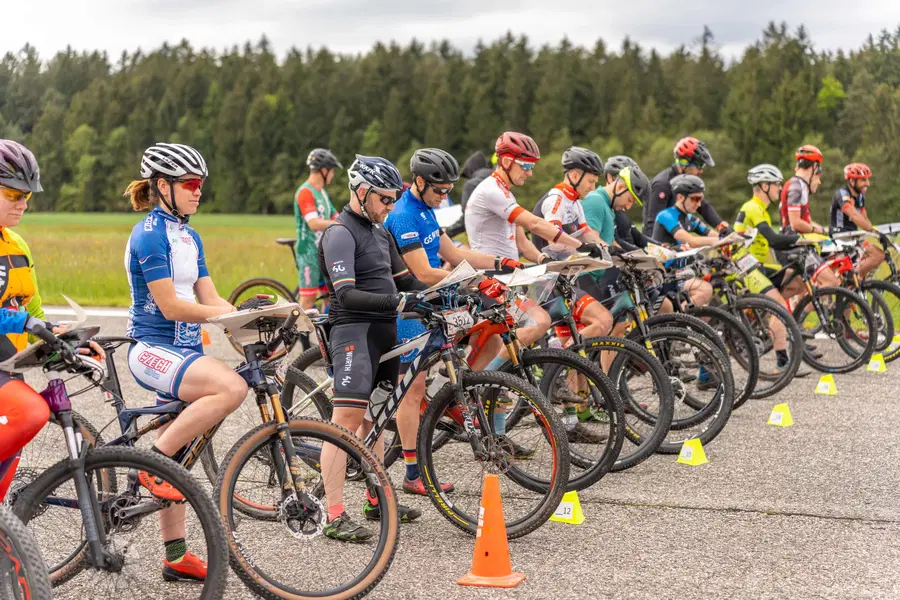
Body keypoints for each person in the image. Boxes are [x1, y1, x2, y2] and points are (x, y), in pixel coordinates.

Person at [124, 142, 249, 581]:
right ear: (163, 186)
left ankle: (175, 556)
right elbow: (172, 307)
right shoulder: (149, 234)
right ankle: (151, 466)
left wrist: (254, 322)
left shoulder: (189, 236)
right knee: (232, 388)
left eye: (201, 185)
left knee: (181, 452)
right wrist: (230, 315)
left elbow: (211, 299)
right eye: (191, 184)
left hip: (185, 352)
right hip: (151, 349)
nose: (199, 192)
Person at [385, 148, 525, 490]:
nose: (445, 196)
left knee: (480, 336)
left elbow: (454, 254)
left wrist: (500, 263)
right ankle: (412, 473)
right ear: (419, 182)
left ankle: (449, 401)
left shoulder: (428, 210)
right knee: (412, 389)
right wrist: (475, 280)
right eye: (439, 191)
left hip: (433, 300)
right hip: (409, 304)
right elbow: (424, 271)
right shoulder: (404, 215)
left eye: (449, 190)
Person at [464, 132, 608, 442]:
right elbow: (537, 225)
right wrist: (578, 249)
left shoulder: (505, 192)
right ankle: (488, 383)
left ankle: (497, 435)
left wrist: (542, 259)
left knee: (499, 358)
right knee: (538, 322)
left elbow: (520, 240)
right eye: (526, 166)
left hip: (505, 281)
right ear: (506, 161)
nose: (530, 173)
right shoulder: (491, 190)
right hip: (489, 281)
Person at [318, 155, 431, 542]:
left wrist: (452, 290)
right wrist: (399, 304)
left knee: (376, 420)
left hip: (385, 333)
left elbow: (406, 282)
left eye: (393, 199)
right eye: (384, 199)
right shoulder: (339, 232)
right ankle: (333, 514)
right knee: (346, 423)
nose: (389, 207)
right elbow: (346, 294)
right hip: (353, 332)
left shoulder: (381, 232)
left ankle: (375, 498)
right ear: (362, 191)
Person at [0, 140, 106, 502]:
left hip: (8, 368)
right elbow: (24, 318)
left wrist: (66, 336)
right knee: (30, 413)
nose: (24, 203)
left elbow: (34, 311)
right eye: (14, 193)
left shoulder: (17, 245)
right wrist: (25, 323)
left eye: (28, 195)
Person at [734, 164, 810, 375]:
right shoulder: (753, 208)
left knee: (797, 282)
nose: (780, 188)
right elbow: (774, 240)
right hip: (743, 267)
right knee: (779, 306)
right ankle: (783, 362)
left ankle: (764, 313)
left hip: (756, 265)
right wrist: (802, 239)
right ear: (764, 186)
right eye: (777, 184)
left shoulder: (761, 210)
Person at [650, 174, 715, 308]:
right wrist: (720, 239)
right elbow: (692, 241)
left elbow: (711, 233)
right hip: (662, 275)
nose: (699, 204)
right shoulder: (666, 215)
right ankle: (678, 323)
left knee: (705, 304)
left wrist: (728, 237)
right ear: (680, 197)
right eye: (695, 199)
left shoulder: (689, 217)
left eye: (701, 199)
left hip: (678, 272)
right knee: (705, 290)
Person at [778, 144, 839, 287]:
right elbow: (795, 223)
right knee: (832, 282)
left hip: (799, 244)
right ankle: (806, 310)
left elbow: (808, 222)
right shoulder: (796, 186)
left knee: (809, 288)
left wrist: (827, 231)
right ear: (814, 167)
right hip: (794, 246)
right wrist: (821, 231)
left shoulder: (801, 186)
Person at [644, 137, 729, 235]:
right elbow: (652, 224)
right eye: (699, 165)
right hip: (660, 243)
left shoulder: (685, 182)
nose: (701, 171)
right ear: (684, 163)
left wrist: (720, 225)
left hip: (677, 240)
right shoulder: (662, 185)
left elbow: (703, 206)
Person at [295, 148, 342, 310]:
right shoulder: (305, 192)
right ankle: (300, 335)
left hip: (323, 252)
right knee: (308, 300)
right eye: (332, 171)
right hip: (308, 254)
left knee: (329, 296)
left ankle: (324, 334)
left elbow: (336, 215)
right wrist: (338, 225)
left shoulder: (322, 193)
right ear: (324, 170)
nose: (333, 175)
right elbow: (313, 223)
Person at [830, 162, 887, 278]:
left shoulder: (861, 197)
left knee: (879, 255)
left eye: (867, 180)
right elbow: (854, 215)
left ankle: (857, 284)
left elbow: (865, 219)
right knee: (874, 256)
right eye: (863, 180)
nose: (868, 184)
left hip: (853, 236)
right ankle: (853, 281)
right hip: (840, 236)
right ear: (852, 181)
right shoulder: (842, 193)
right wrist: (874, 232)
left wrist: (877, 234)